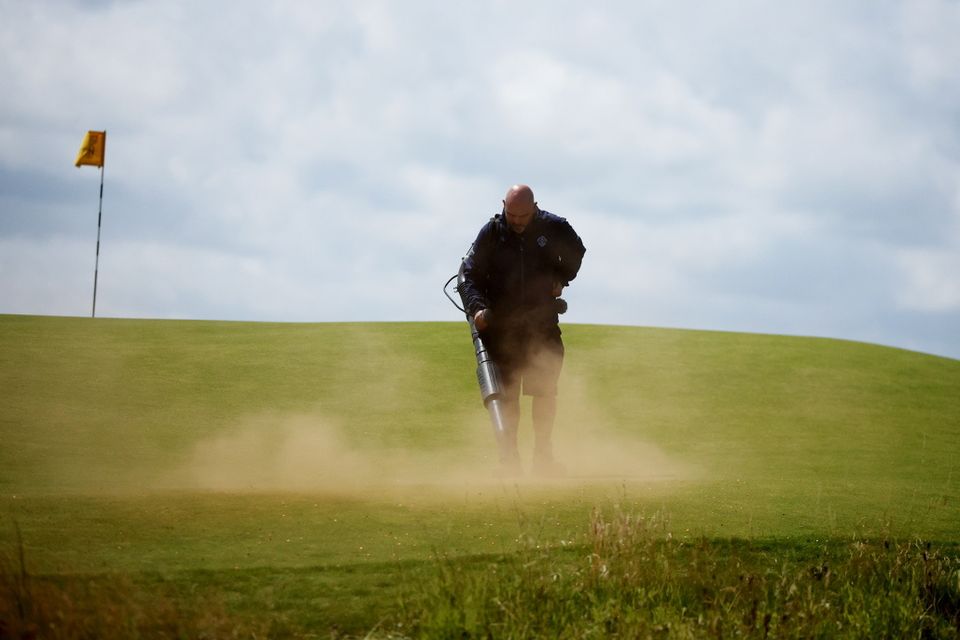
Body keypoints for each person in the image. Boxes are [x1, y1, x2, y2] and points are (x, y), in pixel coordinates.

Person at [459, 184, 586, 476]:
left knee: (544, 392)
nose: (516, 221)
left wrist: (561, 277)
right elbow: (468, 276)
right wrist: (477, 309)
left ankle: (543, 456)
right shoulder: (491, 233)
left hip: (541, 324)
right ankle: (509, 460)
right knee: (508, 396)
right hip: (501, 327)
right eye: (511, 214)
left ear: (535, 208)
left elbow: (577, 252)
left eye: (523, 216)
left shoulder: (555, 227)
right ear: (503, 205)